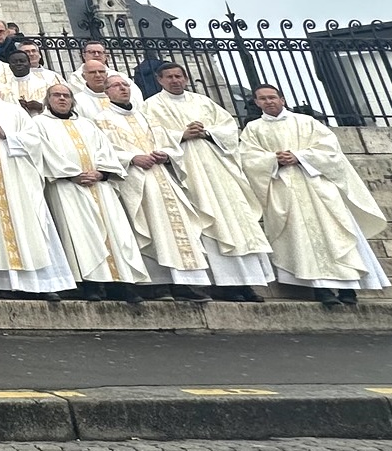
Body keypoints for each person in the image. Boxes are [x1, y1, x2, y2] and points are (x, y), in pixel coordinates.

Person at [237, 84, 389, 307]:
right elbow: (247, 158)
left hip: (317, 187)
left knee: (336, 235)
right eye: (262, 99)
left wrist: (299, 156)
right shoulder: (253, 129)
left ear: (283, 99)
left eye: (272, 97)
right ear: (257, 103)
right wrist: (273, 160)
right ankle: (321, 289)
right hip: (284, 189)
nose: (268, 102)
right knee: (303, 238)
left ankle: (349, 289)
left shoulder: (306, 122)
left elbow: (330, 151)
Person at [142, 62, 273, 300]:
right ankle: (220, 283)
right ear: (159, 80)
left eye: (179, 76)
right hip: (186, 171)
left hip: (216, 168)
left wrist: (208, 132)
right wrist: (181, 135)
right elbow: (148, 136)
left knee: (234, 219)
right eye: (169, 77)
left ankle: (247, 283)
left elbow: (229, 129)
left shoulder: (202, 102)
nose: (175, 81)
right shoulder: (151, 106)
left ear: (186, 78)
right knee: (205, 223)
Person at [90, 74, 215, 300]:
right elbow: (101, 152)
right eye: (116, 86)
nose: (123, 89)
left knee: (177, 230)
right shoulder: (101, 121)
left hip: (162, 178)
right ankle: (156, 284)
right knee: (146, 229)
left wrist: (165, 154)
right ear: (106, 92)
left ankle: (186, 285)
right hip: (133, 183)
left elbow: (171, 145)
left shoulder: (146, 117)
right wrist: (132, 158)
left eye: (125, 84)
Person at [0, 71, 75, 301]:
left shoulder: (15, 112)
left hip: (18, 182)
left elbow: (34, 140)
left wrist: (6, 136)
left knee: (30, 227)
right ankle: (5, 283)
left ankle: (41, 284)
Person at [37, 83, 146, 305]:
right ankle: (92, 284)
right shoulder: (39, 124)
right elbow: (45, 153)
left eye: (66, 96)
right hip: (67, 187)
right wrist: (72, 174)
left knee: (114, 232)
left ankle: (123, 284)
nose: (62, 99)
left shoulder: (87, 124)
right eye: (56, 96)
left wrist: (101, 173)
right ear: (48, 101)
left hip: (99, 185)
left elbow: (105, 150)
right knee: (81, 234)